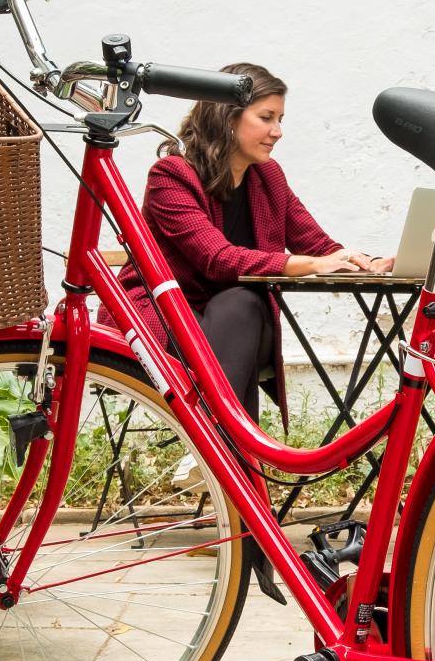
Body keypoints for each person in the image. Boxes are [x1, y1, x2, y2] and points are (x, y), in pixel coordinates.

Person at [108, 63, 393, 432]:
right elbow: (216, 259)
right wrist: (305, 265)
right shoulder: (172, 176)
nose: (277, 132)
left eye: (280, 119)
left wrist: (362, 260)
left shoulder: (267, 176)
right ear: (228, 118)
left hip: (238, 327)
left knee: (241, 304)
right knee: (241, 303)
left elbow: (317, 244)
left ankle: (215, 445)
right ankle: (231, 451)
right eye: (266, 117)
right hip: (169, 323)